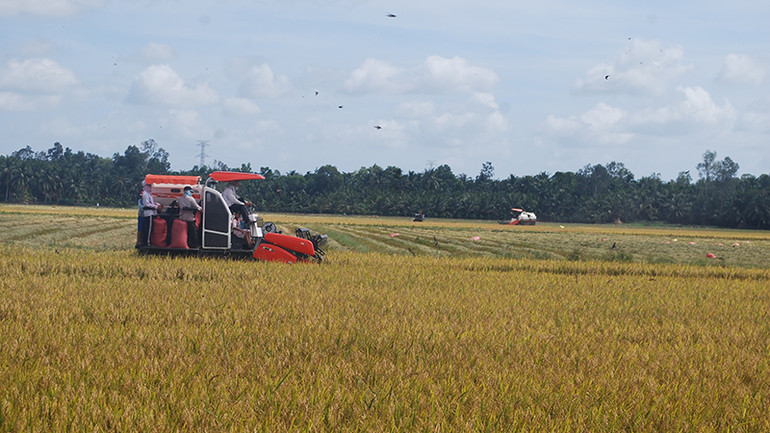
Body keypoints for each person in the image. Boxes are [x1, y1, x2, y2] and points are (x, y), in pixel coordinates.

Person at [139, 180, 162, 246]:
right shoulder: (145, 194)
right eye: (149, 186)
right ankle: (147, 243)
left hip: (151, 213)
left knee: (150, 229)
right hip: (149, 213)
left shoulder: (149, 194)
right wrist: (156, 207)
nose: (150, 187)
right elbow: (146, 204)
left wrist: (157, 204)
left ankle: (147, 242)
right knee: (148, 229)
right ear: (145, 186)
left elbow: (151, 203)